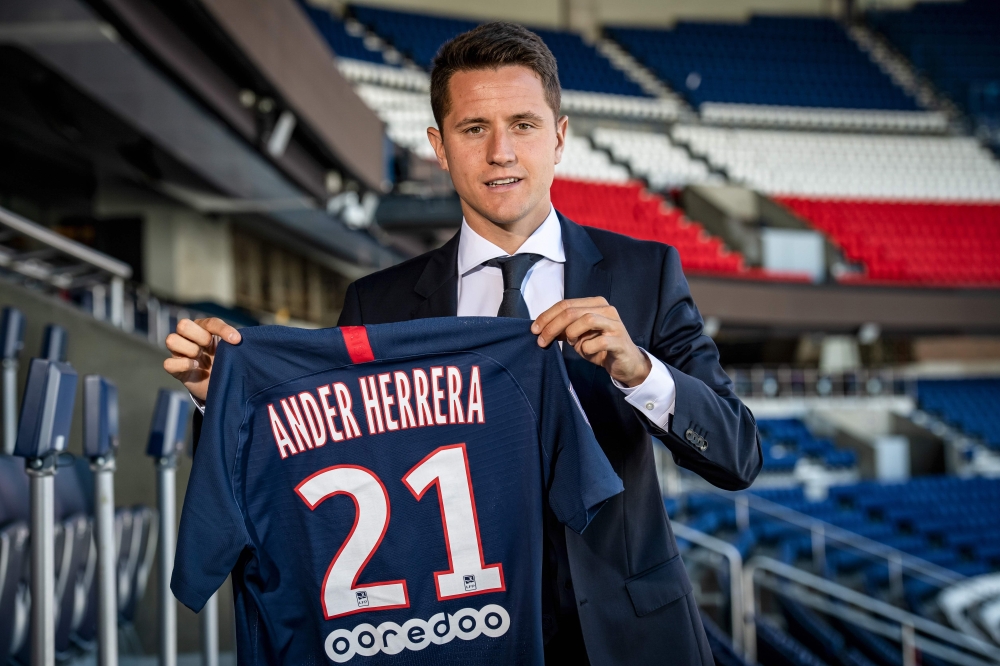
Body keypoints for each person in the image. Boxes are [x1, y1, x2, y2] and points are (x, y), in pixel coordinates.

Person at [164, 22, 761, 666]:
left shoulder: (646, 272)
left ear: (559, 138)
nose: (501, 151)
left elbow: (736, 454)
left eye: (525, 124)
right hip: (461, 637)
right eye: (474, 129)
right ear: (439, 148)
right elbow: (323, 462)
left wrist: (640, 372)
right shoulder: (379, 304)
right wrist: (223, 399)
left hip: (631, 637)